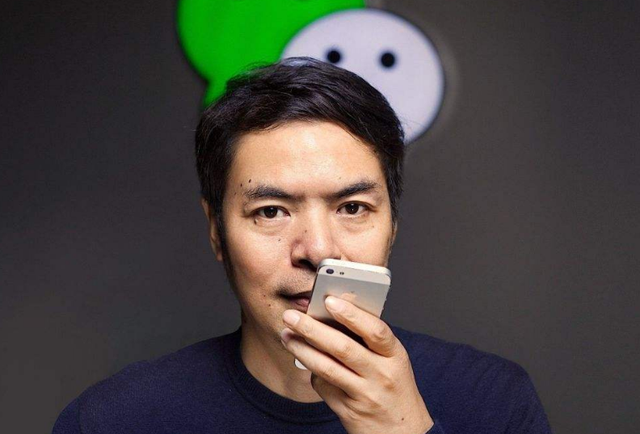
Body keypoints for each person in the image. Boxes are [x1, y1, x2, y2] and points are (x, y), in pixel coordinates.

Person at [52, 58, 552, 433]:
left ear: (393, 225)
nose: (318, 249)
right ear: (216, 232)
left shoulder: (494, 403)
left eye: (352, 207)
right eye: (271, 211)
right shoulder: (111, 421)